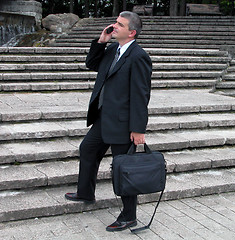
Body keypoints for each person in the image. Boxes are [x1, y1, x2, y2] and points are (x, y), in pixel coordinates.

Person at [65, 11, 152, 232]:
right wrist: (101, 42)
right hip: (104, 117)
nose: (114, 27)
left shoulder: (139, 56)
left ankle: (129, 216)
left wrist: (138, 129)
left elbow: (141, 95)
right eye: (114, 23)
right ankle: (86, 192)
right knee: (87, 149)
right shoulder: (112, 49)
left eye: (119, 25)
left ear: (131, 32)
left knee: (123, 170)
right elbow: (91, 64)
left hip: (124, 124)